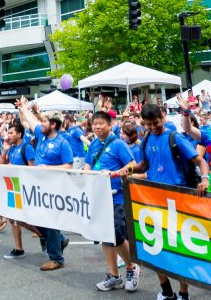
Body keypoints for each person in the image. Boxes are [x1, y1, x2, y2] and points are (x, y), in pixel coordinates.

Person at [123, 102, 207, 300]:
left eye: (155, 123)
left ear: (163, 117)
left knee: (180, 249)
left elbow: (200, 161)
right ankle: (167, 291)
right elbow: (145, 164)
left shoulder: (174, 137)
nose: (152, 127)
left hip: (178, 201)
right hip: (152, 201)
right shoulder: (145, 139)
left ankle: (183, 293)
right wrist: (132, 169)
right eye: (148, 124)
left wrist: (204, 179)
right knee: (155, 248)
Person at [86, 110, 139, 292]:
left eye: (101, 123)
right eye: (95, 123)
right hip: (99, 197)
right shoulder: (93, 145)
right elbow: (87, 168)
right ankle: (114, 275)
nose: (98, 126)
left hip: (117, 196)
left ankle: (131, 267)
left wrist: (115, 173)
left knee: (116, 236)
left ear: (110, 125)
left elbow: (132, 165)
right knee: (104, 236)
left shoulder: (117, 144)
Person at [18, 99, 74, 271]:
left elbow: (69, 166)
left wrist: (49, 167)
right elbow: (31, 119)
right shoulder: (41, 135)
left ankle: (56, 258)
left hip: (54, 188)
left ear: (54, 124)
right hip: (39, 188)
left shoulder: (63, 143)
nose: (40, 122)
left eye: (44, 121)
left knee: (50, 221)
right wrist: (23, 107)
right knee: (34, 218)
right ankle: (60, 240)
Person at [1, 121, 36, 260]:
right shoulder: (11, 148)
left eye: (11, 133)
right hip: (13, 186)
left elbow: (33, 169)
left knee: (23, 219)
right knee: (12, 218)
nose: (8, 135)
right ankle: (18, 248)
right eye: (8, 132)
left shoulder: (26, 147)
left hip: (25, 188)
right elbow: (0, 166)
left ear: (19, 134)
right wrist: (4, 150)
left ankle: (44, 236)